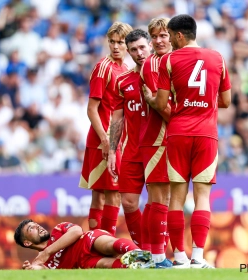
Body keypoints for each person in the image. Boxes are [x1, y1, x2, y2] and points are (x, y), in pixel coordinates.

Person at [143, 14, 231, 269]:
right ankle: (199, 258)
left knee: (177, 199)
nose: (168, 40)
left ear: (179, 35)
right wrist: (202, 102)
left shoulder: (168, 60)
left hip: (178, 133)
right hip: (206, 134)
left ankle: (179, 257)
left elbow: (161, 104)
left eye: (169, 35)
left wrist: (152, 100)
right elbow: (225, 101)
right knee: (202, 197)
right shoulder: (217, 58)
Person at [79, 22, 133, 236]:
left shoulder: (125, 69)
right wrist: (104, 139)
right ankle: (103, 243)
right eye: (112, 42)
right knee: (108, 193)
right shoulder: (103, 67)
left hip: (116, 138)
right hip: (104, 138)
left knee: (105, 193)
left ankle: (97, 242)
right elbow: (92, 109)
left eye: (120, 42)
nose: (116, 46)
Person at [107, 29, 153, 248]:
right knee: (128, 202)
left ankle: (160, 252)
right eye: (133, 49)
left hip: (158, 149)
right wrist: (112, 152)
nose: (139, 53)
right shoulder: (123, 81)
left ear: (150, 46)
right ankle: (146, 251)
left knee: (159, 203)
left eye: (142, 47)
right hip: (132, 150)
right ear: (128, 52)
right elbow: (117, 119)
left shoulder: (164, 74)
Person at [139, 18, 173, 268]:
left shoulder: (174, 61)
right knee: (159, 197)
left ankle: (152, 254)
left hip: (169, 137)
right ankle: (158, 257)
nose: (159, 40)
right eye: (155, 36)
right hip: (156, 139)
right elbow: (161, 106)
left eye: (164, 35)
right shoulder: (152, 64)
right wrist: (188, 122)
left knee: (161, 198)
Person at [14, 219, 154, 269]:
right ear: (27, 242)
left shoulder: (58, 229)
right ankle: (142, 266)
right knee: (105, 264)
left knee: (107, 246)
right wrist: (31, 269)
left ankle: (140, 254)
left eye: (36, 224)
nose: (37, 226)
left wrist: (47, 252)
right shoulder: (40, 261)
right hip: (83, 262)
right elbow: (41, 270)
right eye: (31, 228)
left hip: (87, 241)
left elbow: (77, 231)